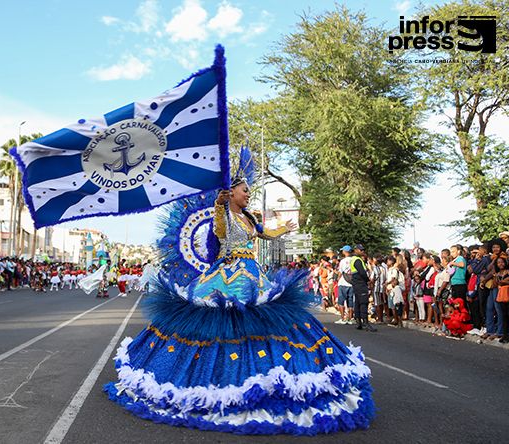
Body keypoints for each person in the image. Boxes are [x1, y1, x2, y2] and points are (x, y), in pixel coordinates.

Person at [104, 151, 375, 435]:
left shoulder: (248, 217)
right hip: (227, 273)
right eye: (245, 191)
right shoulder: (223, 214)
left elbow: (265, 234)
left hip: (251, 272)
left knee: (265, 316)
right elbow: (220, 231)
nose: (248, 195)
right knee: (224, 318)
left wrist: (285, 227)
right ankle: (216, 382)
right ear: (231, 192)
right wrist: (219, 206)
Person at [351, 245, 375, 331]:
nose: (362, 251)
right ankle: (365, 323)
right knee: (363, 303)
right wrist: (368, 280)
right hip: (361, 284)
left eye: (363, 250)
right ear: (356, 250)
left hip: (356, 284)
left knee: (357, 303)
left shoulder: (354, 259)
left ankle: (358, 322)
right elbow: (362, 273)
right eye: (360, 250)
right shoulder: (357, 260)